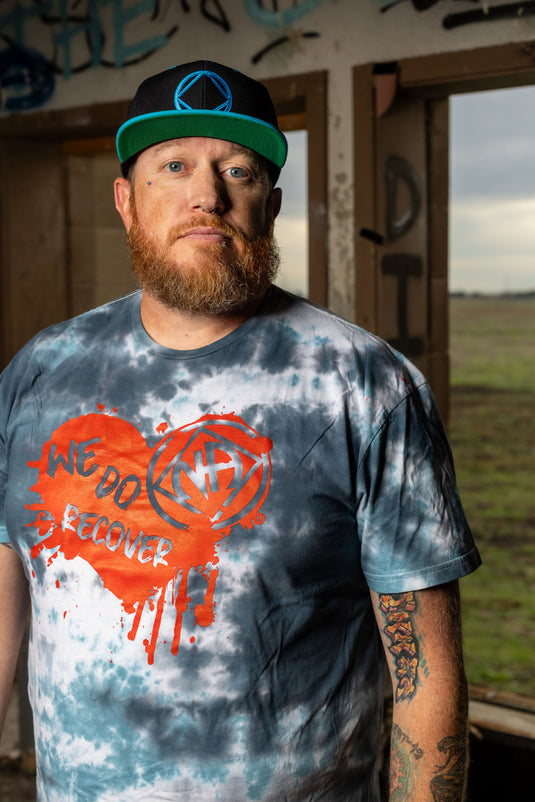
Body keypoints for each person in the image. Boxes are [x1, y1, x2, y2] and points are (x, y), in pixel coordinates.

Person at [0, 60, 480, 802]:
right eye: (175, 165)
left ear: (271, 202)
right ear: (126, 201)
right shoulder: (40, 372)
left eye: (239, 170)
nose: (207, 195)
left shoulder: (362, 384)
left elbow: (426, 680)